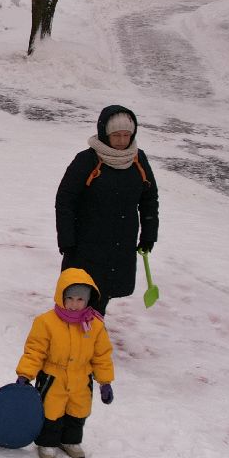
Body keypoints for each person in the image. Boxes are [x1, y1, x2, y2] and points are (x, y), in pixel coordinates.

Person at [54, 105, 159, 315]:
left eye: (126, 135)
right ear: (105, 134)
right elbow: (65, 200)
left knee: (105, 291)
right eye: (116, 135)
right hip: (86, 243)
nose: (122, 141)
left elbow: (149, 199)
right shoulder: (87, 160)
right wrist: (67, 239)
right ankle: (69, 329)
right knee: (79, 292)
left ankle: (93, 328)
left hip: (121, 241)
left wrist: (149, 234)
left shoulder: (138, 160)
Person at [16, 268, 115, 458]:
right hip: (53, 378)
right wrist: (25, 375)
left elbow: (101, 355)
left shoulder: (94, 325)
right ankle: (47, 443)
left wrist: (105, 382)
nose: (74, 304)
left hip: (81, 379)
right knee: (51, 412)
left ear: (88, 300)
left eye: (80, 299)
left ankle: (70, 441)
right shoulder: (46, 322)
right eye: (69, 298)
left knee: (78, 412)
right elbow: (35, 351)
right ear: (61, 296)